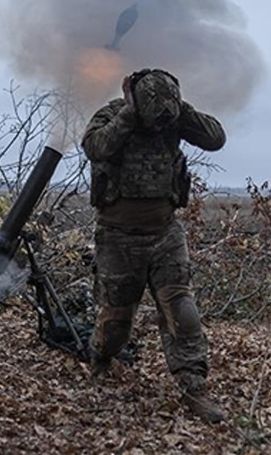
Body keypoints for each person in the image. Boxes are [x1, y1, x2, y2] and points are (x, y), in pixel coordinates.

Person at [80, 67, 227, 424]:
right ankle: (100, 358)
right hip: (117, 236)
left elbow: (215, 138)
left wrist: (180, 110)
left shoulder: (173, 117)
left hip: (165, 232)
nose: (159, 125)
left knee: (182, 311)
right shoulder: (113, 114)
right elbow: (95, 147)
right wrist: (131, 112)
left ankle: (194, 387)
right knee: (116, 324)